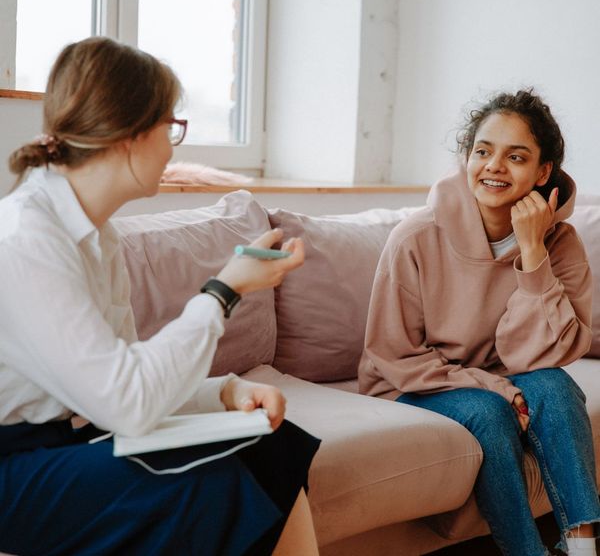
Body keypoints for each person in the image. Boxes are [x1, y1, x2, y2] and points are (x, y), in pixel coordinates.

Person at [0, 36, 320, 556]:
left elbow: (124, 378)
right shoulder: (27, 240)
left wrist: (223, 392)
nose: (174, 146)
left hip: (61, 443)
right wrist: (224, 289)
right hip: (11, 469)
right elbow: (127, 404)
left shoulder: (98, 236)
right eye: (171, 127)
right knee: (204, 486)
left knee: (269, 442)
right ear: (130, 134)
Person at [359, 89, 600, 556]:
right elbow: (393, 355)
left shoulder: (560, 244)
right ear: (466, 157)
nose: (494, 166)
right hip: (413, 385)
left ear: (543, 171)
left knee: (556, 386)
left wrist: (532, 255)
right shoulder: (414, 238)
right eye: (483, 151)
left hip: (500, 374)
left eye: (516, 156)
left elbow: (549, 355)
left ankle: (584, 547)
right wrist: (497, 389)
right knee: (489, 414)